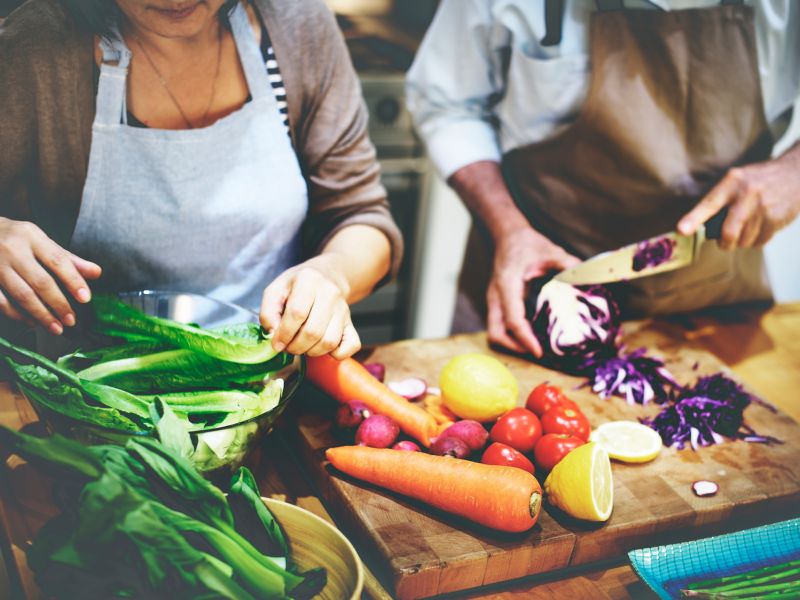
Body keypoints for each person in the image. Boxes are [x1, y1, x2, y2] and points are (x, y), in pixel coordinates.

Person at [0, 0, 403, 359]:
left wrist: (332, 272)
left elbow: (362, 217)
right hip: (90, 401)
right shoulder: (38, 45)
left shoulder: (297, 24)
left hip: (268, 388)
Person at [406, 0, 800, 357]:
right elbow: (446, 105)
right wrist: (509, 229)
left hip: (713, 303)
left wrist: (792, 171)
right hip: (531, 286)